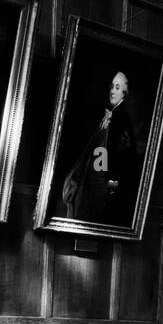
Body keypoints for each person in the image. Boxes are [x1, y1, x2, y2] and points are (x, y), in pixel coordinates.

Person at [59, 71, 138, 224]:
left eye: (117, 87)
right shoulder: (111, 116)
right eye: (112, 87)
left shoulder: (121, 120)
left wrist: (110, 190)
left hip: (104, 187)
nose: (112, 91)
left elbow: (120, 162)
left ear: (125, 93)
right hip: (96, 181)